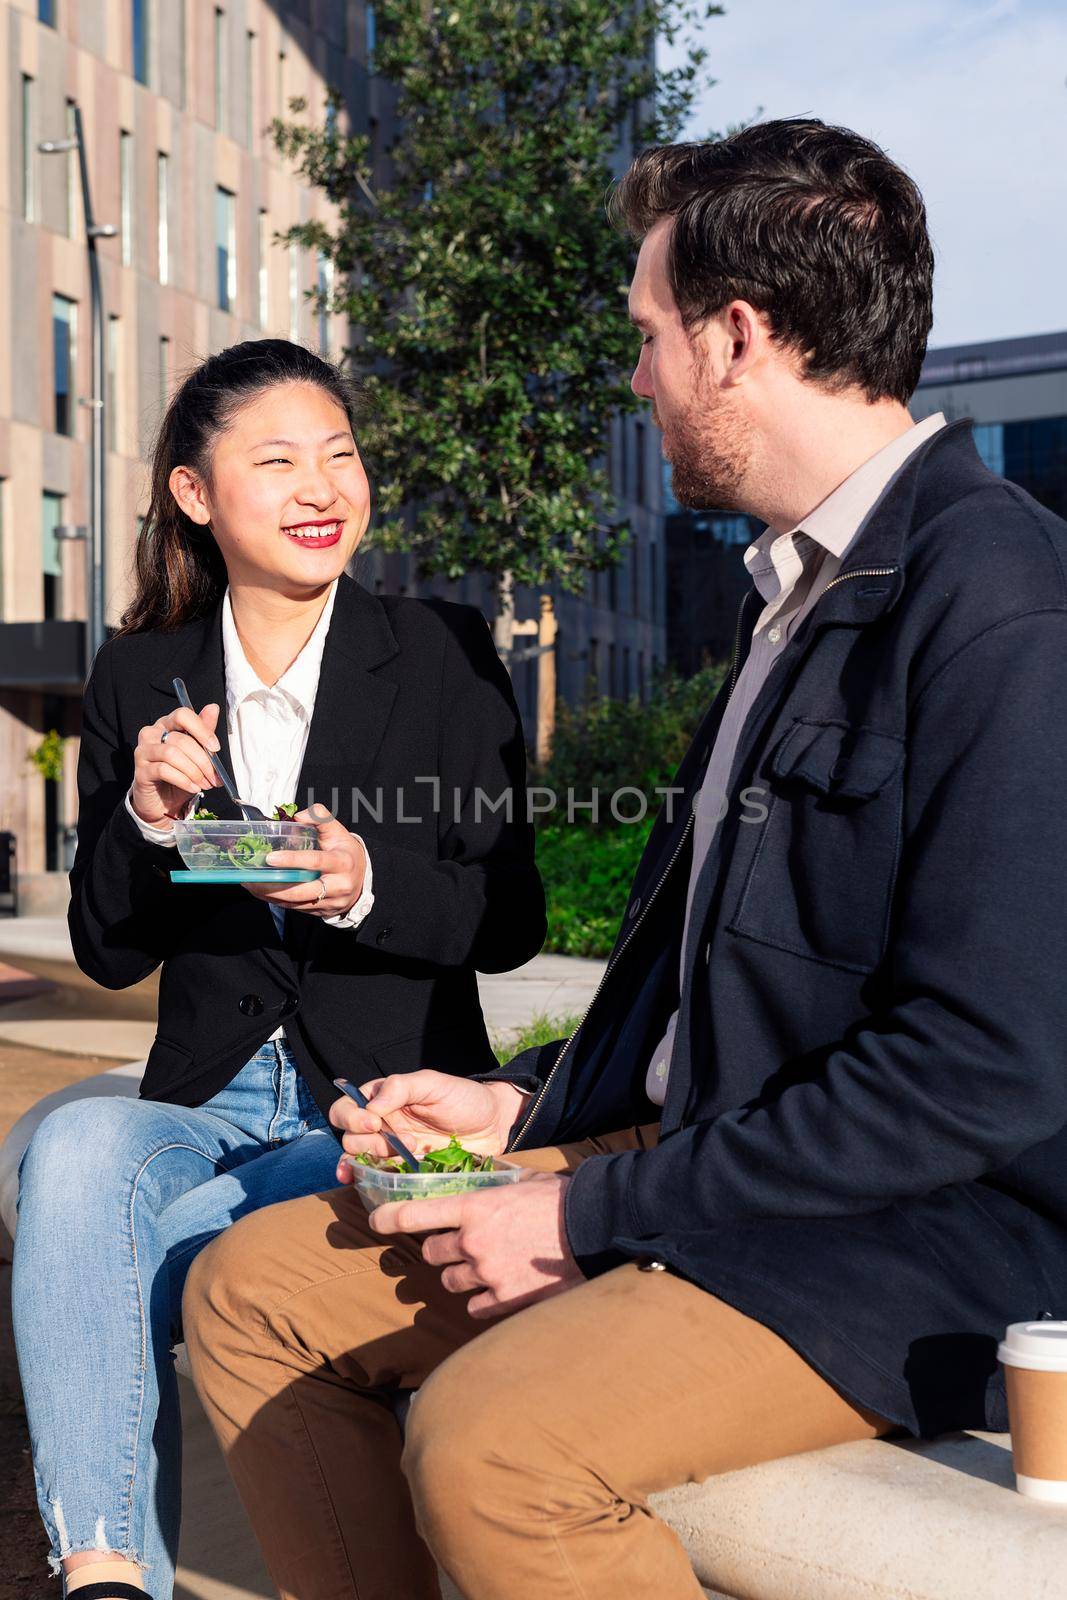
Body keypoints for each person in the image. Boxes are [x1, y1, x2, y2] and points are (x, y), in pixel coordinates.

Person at [184, 119, 1067, 1600]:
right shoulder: (788, 594)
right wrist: (516, 1104)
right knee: (251, 1292)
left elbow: (982, 1069)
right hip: (707, 1163)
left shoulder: (996, 603)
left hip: (904, 1239)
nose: (637, 375)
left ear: (736, 336)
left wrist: (581, 1215)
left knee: (494, 1445)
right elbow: (721, 978)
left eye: (649, 334)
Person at [12, 339, 545, 1600]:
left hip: (387, 1105)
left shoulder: (445, 651)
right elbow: (108, 947)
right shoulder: (141, 677)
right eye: (279, 461)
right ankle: (103, 1578)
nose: (323, 488)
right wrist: (144, 822)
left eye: (340, 456)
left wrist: (364, 884)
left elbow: (509, 913)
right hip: (205, 1102)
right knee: (81, 1150)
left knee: (84, 1218)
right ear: (196, 494)